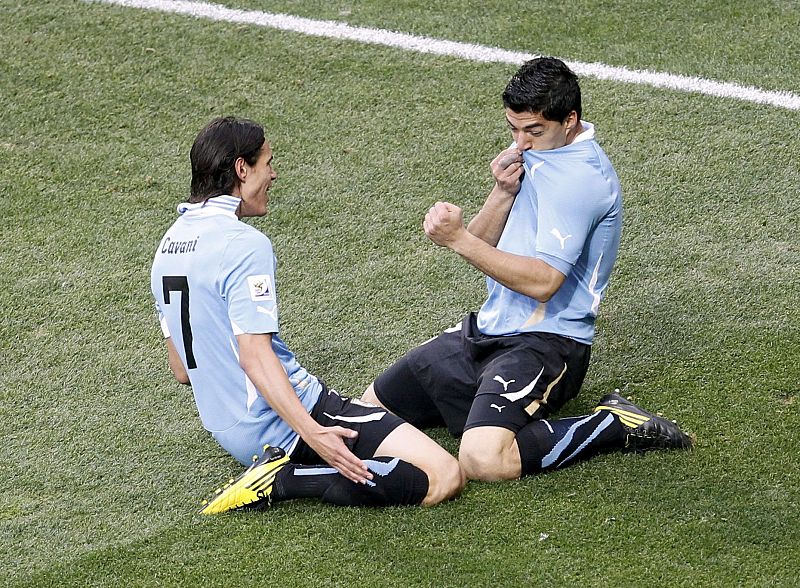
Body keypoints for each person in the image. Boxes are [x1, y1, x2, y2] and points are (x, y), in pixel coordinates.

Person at [362, 57, 692, 481]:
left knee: (483, 460)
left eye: (533, 130)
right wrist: (501, 193)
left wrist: (457, 238)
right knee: (369, 409)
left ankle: (612, 423)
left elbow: (543, 283)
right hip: (486, 330)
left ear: (570, 119)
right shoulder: (537, 155)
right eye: (513, 129)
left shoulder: (581, 181)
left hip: (547, 343)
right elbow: (480, 244)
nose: (521, 142)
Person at [151, 117, 464, 513]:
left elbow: (181, 369)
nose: (273, 174)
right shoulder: (243, 244)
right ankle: (283, 479)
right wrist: (313, 431)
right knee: (443, 475)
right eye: (267, 163)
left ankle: (278, 469)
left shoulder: (167, 247)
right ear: (241, 169)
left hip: (232, 433)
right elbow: (254, 355)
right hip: (286, 421)